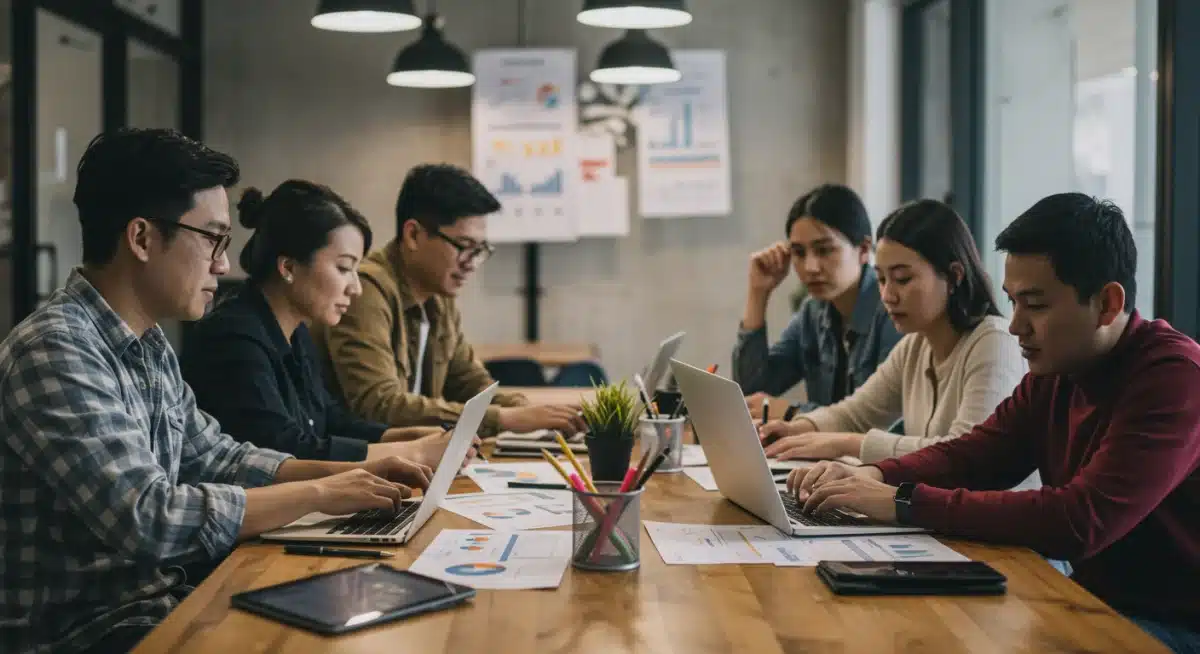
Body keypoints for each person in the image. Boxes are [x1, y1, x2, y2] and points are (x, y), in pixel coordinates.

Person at [0, 128, 434, 654]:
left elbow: (218, 456)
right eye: (213, 239)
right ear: (141, 238)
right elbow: (149, 516)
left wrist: (352, 473)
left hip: (156, 606)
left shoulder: (148, 344)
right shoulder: (54, 350)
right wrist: (321, 493)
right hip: (86, 634)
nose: (224, 265)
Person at [786, 193, 1200, 653]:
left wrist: (901, 500)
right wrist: (873, 474)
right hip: (1092, 599)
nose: (1017, 325)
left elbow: (1080, 520)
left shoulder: (1174, 378)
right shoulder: (1058, 369)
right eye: (1013, 302)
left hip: (1173, 623)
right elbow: (977, 455)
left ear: (1106, 304)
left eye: (1036, 305)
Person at [181, 180, 477, 466]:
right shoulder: (234, 337)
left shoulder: (295, 331)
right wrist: (412, 452)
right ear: (289, 267)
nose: (355, 287)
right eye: (344, 268)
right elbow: (281, 450)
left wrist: (407, 436)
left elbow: (330, 421)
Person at [313, 164, 584, 436]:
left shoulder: (439, 295)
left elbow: (470, 383)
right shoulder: (366, 290)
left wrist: (525, 411)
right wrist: (504, 418)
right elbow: (378, 405)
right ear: (414, 235)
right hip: (362, 465)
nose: (472, 264)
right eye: (464, 246)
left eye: (480, 250)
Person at [757, 200, 1028, 466]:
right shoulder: (915, 346)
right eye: (883, 279)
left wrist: (847, 443)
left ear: (954, 276)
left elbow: (965, 454)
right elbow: (856, 414)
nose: (887, 295)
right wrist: (797, 428)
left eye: (902, 279)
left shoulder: (994, 342)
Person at [733, 184, 901, 420]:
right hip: (826, 455)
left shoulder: (894, 309)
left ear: (863, 249)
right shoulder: (813, 311)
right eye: (799, 253)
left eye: (824, 251)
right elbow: (750, 391)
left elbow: (884, 419)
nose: (810, 267)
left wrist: (793, 413)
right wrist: (758, 293)